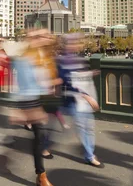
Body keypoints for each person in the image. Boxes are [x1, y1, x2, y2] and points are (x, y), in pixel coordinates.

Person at [8, 29, 57, 186]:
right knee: (39, 137)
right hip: (31, 101)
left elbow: (47, 79)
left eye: (45, 36)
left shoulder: (46, 56)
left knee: (40, 138)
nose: (43, 39)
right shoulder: (24, 59)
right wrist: (19, 109)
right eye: (38, 37)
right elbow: (19, 85)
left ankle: (9, 157)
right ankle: (41, 175)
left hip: (44, 100)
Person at [57, 33, 104, 168]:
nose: (77, 45)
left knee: (88, 127)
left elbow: (79, 77)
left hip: (82, 100)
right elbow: (67, 81)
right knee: (83, 128)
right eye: (74, 43)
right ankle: (89, 156)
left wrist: (90, 73)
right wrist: (86, 96)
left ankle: (89, 154)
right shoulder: (64, 61)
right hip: (73, 100)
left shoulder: (77, 59)